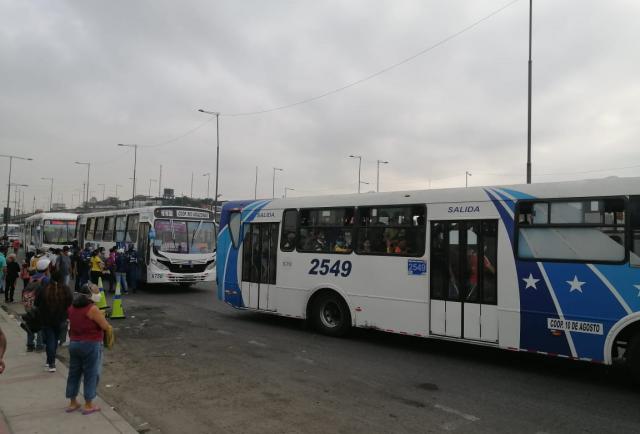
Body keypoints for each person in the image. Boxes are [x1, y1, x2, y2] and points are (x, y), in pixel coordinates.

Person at [65, 283, 112, 415]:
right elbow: (104, 325)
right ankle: (88, 404)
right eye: (96, 292)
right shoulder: (92, 309)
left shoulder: (72, 307)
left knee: (74, 373)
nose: (98, 294)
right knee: (91, 373)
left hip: (74, 343)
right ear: (90, 295)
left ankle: (72, 402)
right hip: (90, 344)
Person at [35, 271, 73, 372]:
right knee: (55, 340)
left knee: (50, 340)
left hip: (46, 319)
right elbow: (70, 302)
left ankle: (50, 362)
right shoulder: (65, 289)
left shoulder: (44, 289)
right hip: (61, 318)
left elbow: (37, 303)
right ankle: (50, 361)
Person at [23, 259, 50, 352]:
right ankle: (39, 345)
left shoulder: (32, 277)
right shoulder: (45, 279)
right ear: (46, 268)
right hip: (40, 305)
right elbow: (48, 293)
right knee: (40, 325)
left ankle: (30, 345)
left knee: (30, 323)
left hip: (29, 304)